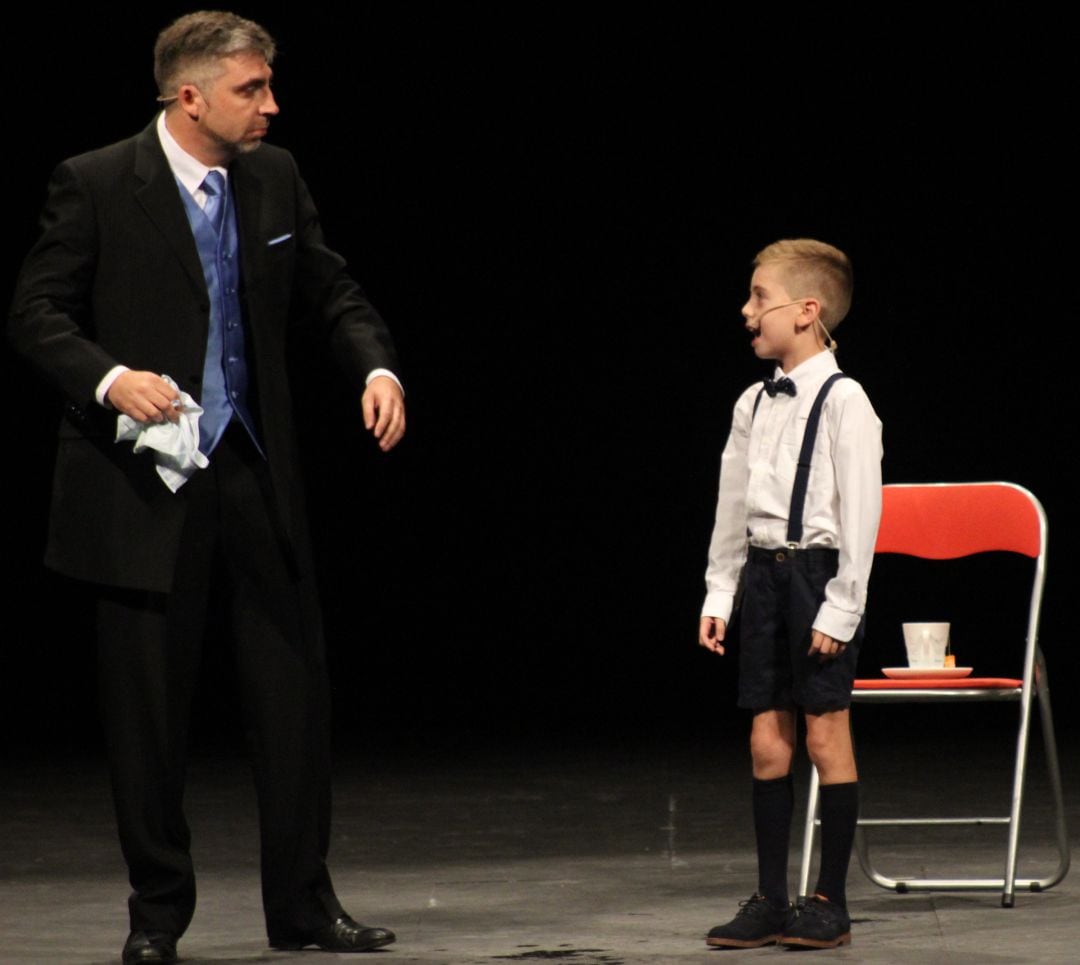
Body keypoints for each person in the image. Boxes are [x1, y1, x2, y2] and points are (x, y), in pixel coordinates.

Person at [8, 11, 404, 964]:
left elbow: (331, 287)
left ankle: (304, 907)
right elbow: (35, 312)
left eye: (268, 86)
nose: (271, 105)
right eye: (252, 89)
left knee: (294, 698)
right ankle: (156, 916)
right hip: (142, 486)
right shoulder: (99, 181)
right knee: (148, 712)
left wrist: (375, 367)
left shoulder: (274, 175)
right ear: (190, 97)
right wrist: (111, 378)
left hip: (253, 471)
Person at [697, 239, 882, 950]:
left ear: (807, 311)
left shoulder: (847, 400)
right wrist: (721, 594)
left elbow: (863, 515)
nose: (747, 311)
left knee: (824, 731)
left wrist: (842, 606)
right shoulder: (752, 402)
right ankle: (772, 896)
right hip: (764, 576)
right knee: (766, 739)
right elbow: (732, 505)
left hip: (819, 574)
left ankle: (828, 897)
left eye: (759, 297)